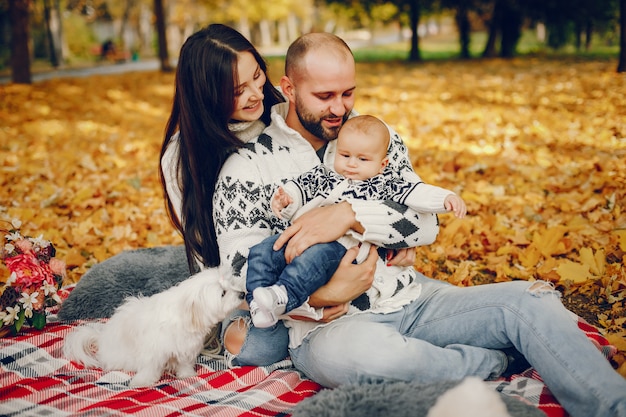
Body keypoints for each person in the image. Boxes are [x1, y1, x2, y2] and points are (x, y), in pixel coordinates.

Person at [213, 32, 626, 417]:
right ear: (288, 89)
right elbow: (240, 269)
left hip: (406, 295)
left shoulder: (374, 135)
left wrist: (352, 215)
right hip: (329, 329)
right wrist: (320, 296)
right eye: (325, 96)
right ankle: (493, 361)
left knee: (529, 302)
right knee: (372, 359)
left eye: (349, 92)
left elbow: (424, 225)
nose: (340, 108)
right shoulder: (249, 165)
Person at [246, 114, 466, 328]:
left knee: (311, 261)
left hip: (341, 247)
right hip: (302, 235)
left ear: (382, 164)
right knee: (262, 251)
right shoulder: (326, 176)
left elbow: (416, 193)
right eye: (345, 155)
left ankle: (284, 295)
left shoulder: (384, 184)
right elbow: (300, 188)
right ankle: (257, 300)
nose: (351, 164)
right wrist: (287, 199)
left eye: (362, 159)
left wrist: (445, 198)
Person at [159, 23, 290, 364]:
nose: (256, 95)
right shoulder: (180, 158)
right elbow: (209, 253)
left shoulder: (283, 120)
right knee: (248, 344)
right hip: (242, 283)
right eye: (236, 91)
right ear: (205, 96)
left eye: (257, 76)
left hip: (308, 259)